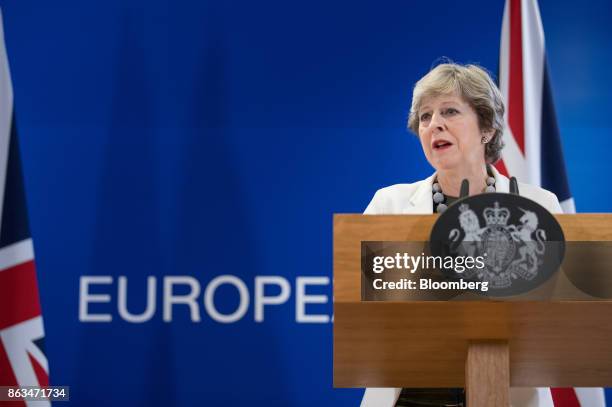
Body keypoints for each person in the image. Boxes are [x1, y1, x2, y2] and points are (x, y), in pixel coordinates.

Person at [361, 62, 562, 407]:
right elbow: (357, 312)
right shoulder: (389, 203)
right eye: (425, 117)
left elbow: (562, 316)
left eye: (450, 111)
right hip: (410, 394)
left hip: (506, 393)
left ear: (486, 128)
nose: (433, 124)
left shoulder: (539, 205)